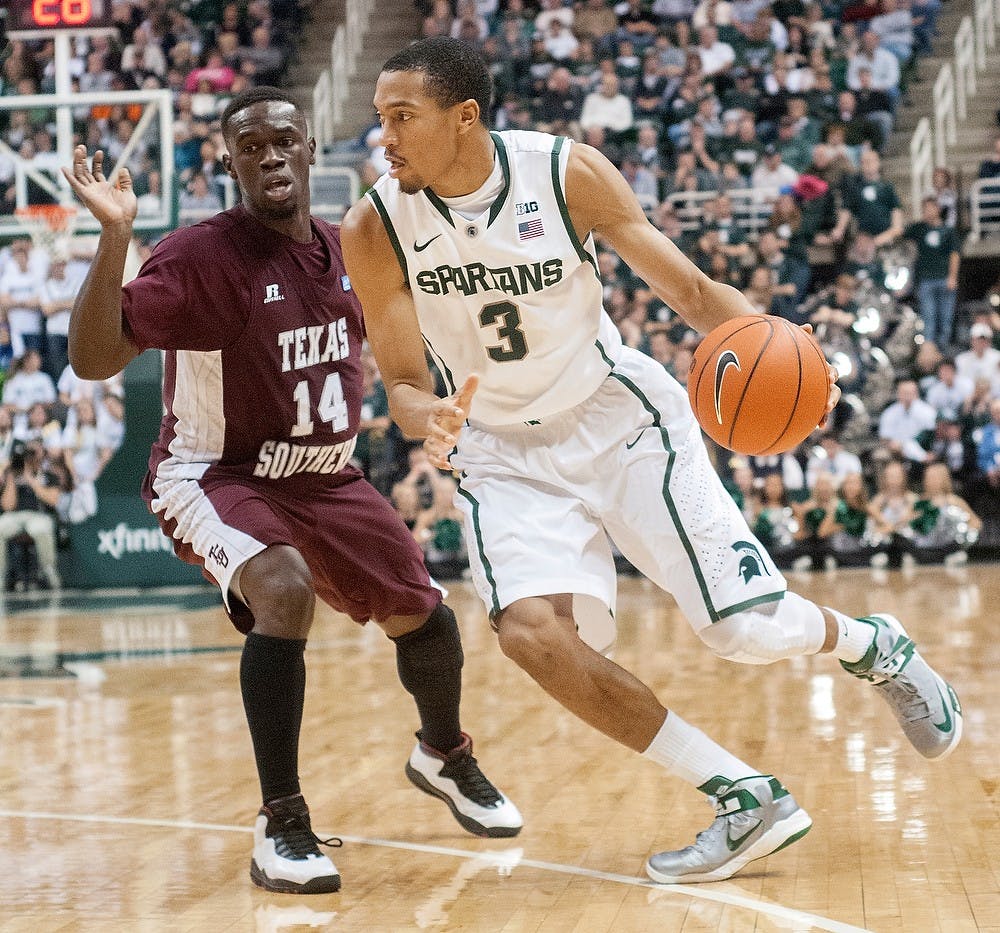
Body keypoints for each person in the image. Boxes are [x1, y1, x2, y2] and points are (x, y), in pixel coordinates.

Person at [341, 36, 963, 887]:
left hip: (618, 420)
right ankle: (743, 795)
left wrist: (785, 351)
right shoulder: (375, 225)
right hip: (502, 452)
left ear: (465, 117)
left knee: (741, 632)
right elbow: (405, 380)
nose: (385, 136)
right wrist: (429, 417)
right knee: (534, 636)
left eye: (401, 117)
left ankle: (873, 645)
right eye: (381, 118)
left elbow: (699, 296)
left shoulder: (567, 175)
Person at [60, 86, 520, 897]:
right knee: (284, 589)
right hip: (217, 472)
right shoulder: (198, 256)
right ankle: (282, 819)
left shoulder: (352, 249)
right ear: (232, 163)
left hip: (327, 474)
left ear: (311, 151)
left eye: (283, 142)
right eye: (251, 147)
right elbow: (95, 359)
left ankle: (444, 755)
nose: (270, 156)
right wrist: (115, 238)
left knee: (429, 616)